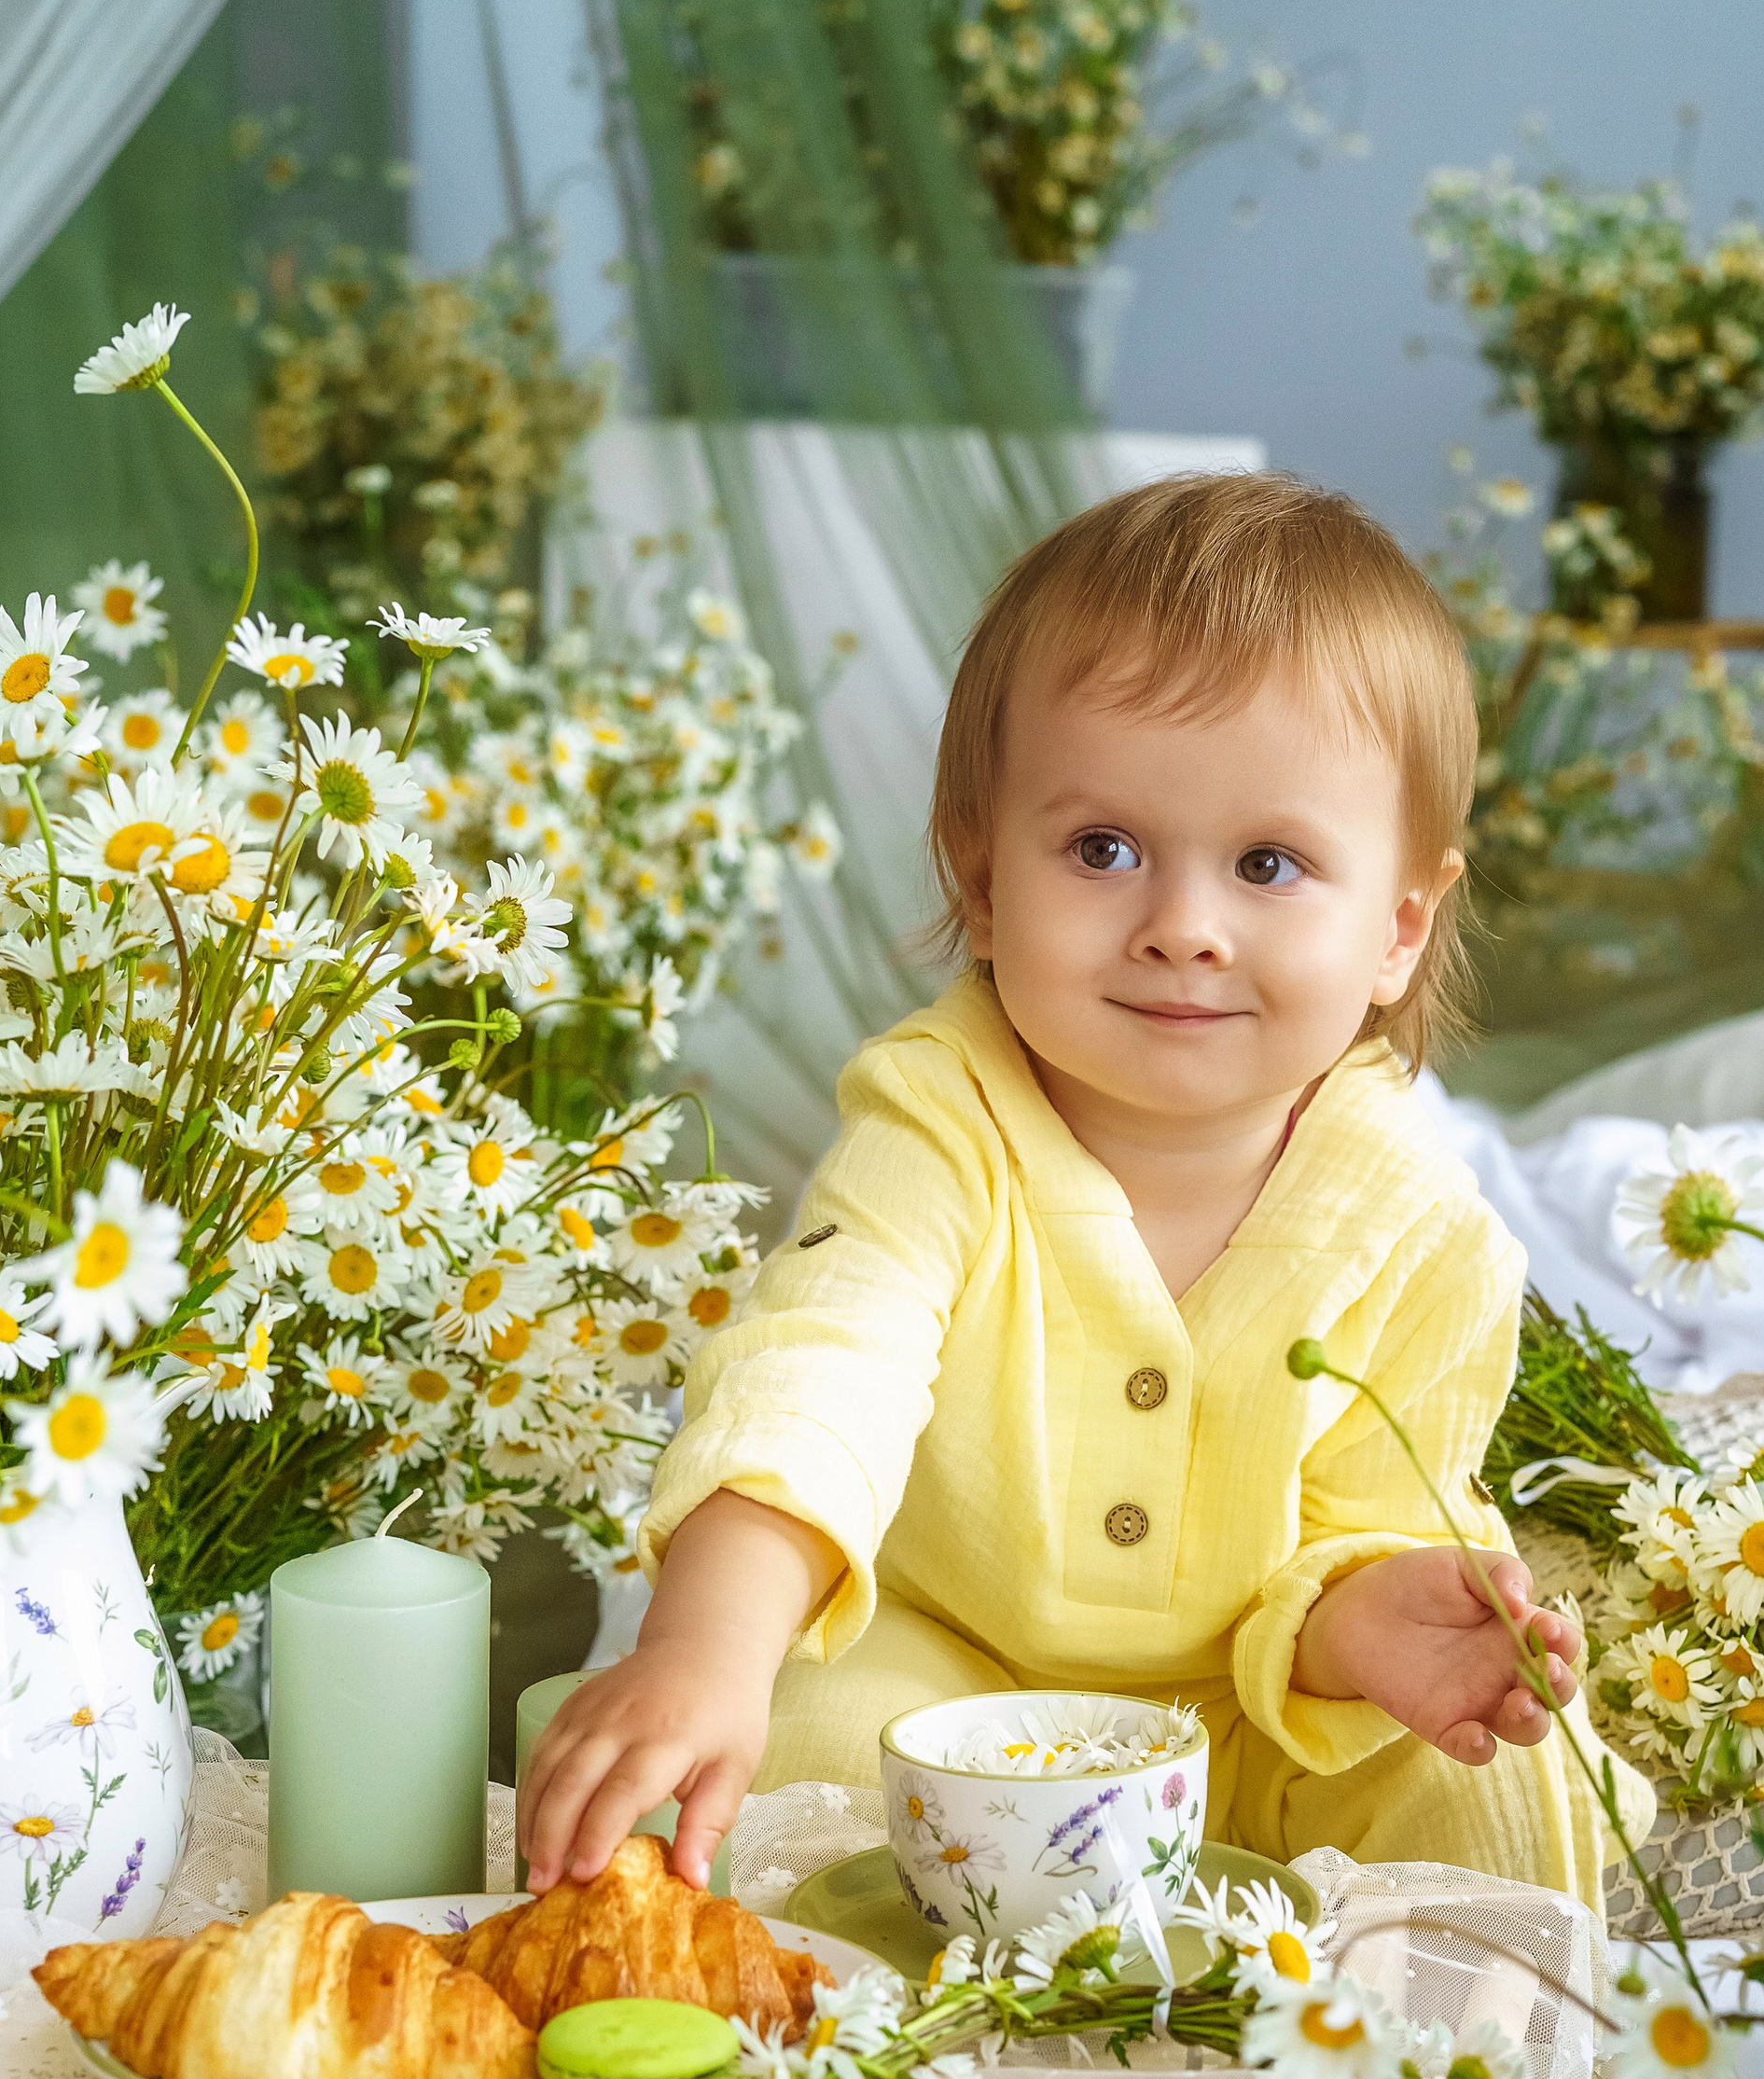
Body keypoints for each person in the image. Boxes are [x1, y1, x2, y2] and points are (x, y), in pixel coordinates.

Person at [521, 470, 1649, 1902]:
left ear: (1398, 930)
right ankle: (876, 2044)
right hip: (954, 1672)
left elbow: (1363, 1521)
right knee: (795, 1745)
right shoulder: (941, 1119)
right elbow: (822, 1365)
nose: (1184, 928)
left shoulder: (1421, 1228)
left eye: (1269, 863)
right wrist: (705, 1647)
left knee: (1513, 1778)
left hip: (1251, 1723)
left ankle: (1408, 2067)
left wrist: (1372, 1621)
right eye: (1102, 850)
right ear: (984, 883)